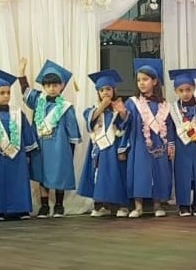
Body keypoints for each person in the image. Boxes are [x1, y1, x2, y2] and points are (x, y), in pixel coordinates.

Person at [22, 59, 82, 218]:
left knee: (59, 174)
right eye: (48, 85)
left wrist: (70, 152)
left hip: (59, 147)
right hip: (41, 146)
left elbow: (72, 130)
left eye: (55, 85)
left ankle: (59, 205)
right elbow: (25, 91)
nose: (52, 88)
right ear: (43, 86)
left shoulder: (66, 107)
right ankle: (44, 206)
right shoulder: (38, 101)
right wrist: (21, 74)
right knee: (42, 175)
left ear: (62, 86)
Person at [0, 68, 38, 220]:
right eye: (2, 93)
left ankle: (22, 209)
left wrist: (28, 154)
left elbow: (26, 132)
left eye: (8, 93)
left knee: (19, 181)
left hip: (18, 154)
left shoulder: (17, 113)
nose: (6, 96)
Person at [120, 58, 174, 218]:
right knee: (140, 172)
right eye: (138, 80)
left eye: (145, 79)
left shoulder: (164, 105)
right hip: (140, 143)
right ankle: (138, 206)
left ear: (155, 81)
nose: (141, 83)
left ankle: (158, 205)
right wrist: (122, 114)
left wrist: (171, 144)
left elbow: (169, 126)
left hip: (159, 144)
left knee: (159, 171)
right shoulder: (133, 102)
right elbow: (126, 123)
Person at [78, 69, 131, 217]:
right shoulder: (94, 109)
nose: (105, 92)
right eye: (102, 90)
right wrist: (102, 106)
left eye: (108, 89)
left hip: (115, 147)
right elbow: (89, 122)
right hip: (99, 149)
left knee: (117, 175)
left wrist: (122, 113)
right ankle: (101, 205)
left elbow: (125, 125)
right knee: (99, 175)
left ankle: (122, 205)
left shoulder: (119, 107)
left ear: (114, 90)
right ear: (98, 93)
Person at [168, 68, 196, 216]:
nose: (185, 93)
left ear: (194, 88)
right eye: (181, 90)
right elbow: (170, 128)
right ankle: (184, 205)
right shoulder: (174, 109)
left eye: (188, 89)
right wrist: (171, 144)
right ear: (176, 91)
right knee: (183, 175)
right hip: (183, 146)